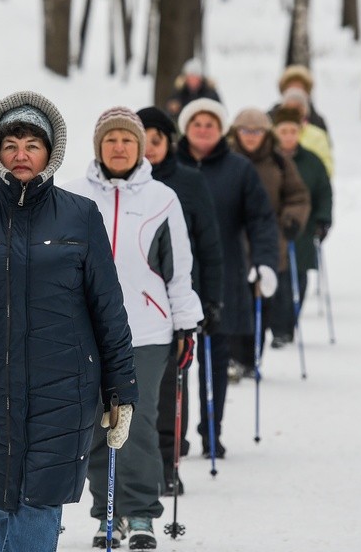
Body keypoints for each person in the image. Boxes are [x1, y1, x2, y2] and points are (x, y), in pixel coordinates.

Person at [0, 92, 138, 552]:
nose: (21, 154)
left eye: (32, 144)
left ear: (50, 152)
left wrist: (122, 392)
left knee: (38, 504)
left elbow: (108, 308)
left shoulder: (79, 215)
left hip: (62, 389)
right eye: (11, 143)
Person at [64, 107, 203, 550]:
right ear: (98, 146)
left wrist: (186, 324)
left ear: (140, 148)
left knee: (137, 423)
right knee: (95, 422)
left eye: (127, 139)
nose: (119, 147)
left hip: (146, 330)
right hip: (87, 330)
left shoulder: (162, 198)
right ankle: (108, 514)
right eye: (110, 140)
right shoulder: (72, 195)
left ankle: (141, 512)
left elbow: (178, 271)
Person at [175, 98, 278, 457]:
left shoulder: (239, 169)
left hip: (224, 276)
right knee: (177, 362)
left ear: (221, 130)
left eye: (210, 124)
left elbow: (261, 219)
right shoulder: (168, 167)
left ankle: (211, 431)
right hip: (177, 279)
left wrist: (265, 262)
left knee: (216, 359)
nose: (203, 130)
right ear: (186, 128)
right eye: (197, 123)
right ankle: (174, 435)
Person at [136, 105, 224, 495]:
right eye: (144, 140)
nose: (149, 148)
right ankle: (131, 464)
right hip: (129, 305)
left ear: (168, 142)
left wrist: (212, 301)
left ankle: (169, 462)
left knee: (171, 385)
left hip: (175, 303)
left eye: (157, 140)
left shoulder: (187, 182)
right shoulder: (119, 187)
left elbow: (210, 246)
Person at [226, 107, 310, 367]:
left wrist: (292, 220)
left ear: (266, 134)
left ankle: (251, 359)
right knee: (232, 300)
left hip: (268, 240)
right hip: (231, 240)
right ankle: (231, 357)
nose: (250, 136)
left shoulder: (280, 162)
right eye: (245, 131)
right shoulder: (225, 160)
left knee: (260, 302)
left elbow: (298, 196)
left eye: (257, 131)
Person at [271, 106, 333, 344]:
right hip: (275, 229)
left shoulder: (312, 162)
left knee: (298, 278)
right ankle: (277, 328)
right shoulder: (270, 160)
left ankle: (289, 325)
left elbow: (324, 193)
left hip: (304, 231)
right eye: (283, 131)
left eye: (292, 131)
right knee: (277, 280)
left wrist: (323, 219)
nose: (288, 136)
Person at [279, 87, 334, 179]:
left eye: (298, 107)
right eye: (289, 106)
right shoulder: (273, 133)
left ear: (305, 109)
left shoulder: (318, 135)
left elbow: (327, 167)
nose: (293, 111)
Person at [267, 63, 331, 135]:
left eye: (299, 89)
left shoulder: (316, 121)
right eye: (291, 88)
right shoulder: (270, 118)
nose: (295, 93)